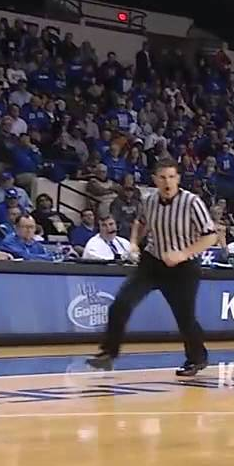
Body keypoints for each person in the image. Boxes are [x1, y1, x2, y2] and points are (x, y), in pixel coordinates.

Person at [87, 159, 217, 377]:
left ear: (178, 178)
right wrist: (134, 242)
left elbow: (211, 236)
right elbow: (141, 222)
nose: (168, 182)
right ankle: (108, 354)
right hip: (152, 262)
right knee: (121, 302)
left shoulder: (192, 202)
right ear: (155, 180)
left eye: (172, 177)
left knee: (185, 318)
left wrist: (183, 254)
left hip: (183, 266)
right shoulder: (149, 201)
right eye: (163, 177)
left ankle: (196, 358)